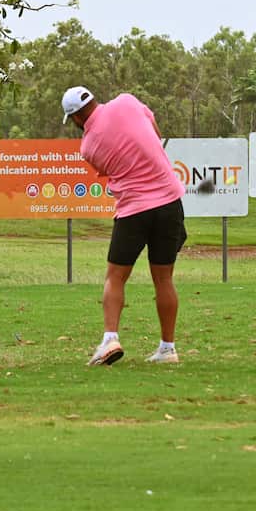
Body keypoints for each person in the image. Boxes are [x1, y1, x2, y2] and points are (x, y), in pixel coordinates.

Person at [62, 86, 186, 366]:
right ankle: (168, 348)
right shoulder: (127, 102)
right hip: (169, 202)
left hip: (133, 210)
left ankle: (110, 339)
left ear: (77, 119)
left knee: (115, 277)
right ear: (93, 99)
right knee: (164, 278)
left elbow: (106, 169)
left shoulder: (88, 147)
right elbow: (153, 129)